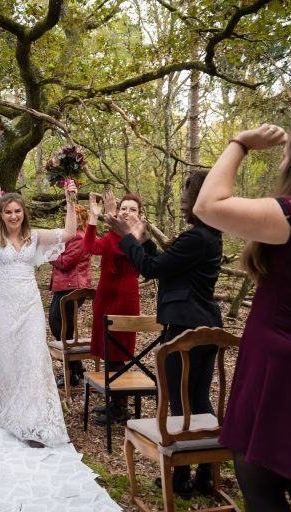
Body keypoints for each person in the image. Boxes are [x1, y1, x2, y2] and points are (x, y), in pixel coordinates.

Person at [193, 119, 291, 511]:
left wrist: (239, 143)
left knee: (258, 478)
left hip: (281, 370)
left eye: (289, 152)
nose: (281, 161)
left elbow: (207, 205)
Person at [107, 171, 223, 498]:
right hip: (206, 326)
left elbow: (151, 269)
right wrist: (142, 240)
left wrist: (127, 236)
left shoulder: (196, 238)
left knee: (177, 400)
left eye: (187, 195)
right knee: (198, 398)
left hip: (184, 328)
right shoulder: (209, 237)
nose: (182, 201)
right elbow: (163, 264)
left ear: (201, 199)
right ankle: (204, 473)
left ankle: (181, 475)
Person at [0, 182, 78, 448]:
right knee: (8, 358)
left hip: (29, 306)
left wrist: (70, 199)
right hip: (4, 307)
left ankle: (34, 420)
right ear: (1, 215)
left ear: (23, 213)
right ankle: (8, 404)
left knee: (32, 358)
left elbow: (70, 233)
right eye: (8, 212)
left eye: (17, 211)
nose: (14, 216)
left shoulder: (36, 236)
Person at [82, 190, 143, 423]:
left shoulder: (138, 236)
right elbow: (89, 247)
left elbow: (122, 251)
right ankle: (113, 400)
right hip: (104, 297)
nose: (127, 212)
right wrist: (94, 217)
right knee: (109, 352)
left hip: (125, 299)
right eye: (124, 208)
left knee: (119, 351)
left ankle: (120, 407)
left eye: (132, 209)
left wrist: (113, 219)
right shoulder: (110, 235)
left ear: (139, 215)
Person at [48, 203, 93, 388]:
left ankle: (72, 371)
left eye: (72, 217)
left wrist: (49, 254)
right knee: (63, 326)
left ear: (79, 220)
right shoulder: (73, 237)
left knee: (59, 325)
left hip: (72, 287)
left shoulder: (80, 238)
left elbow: (65, 262)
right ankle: (76, 369)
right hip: (66, 287)